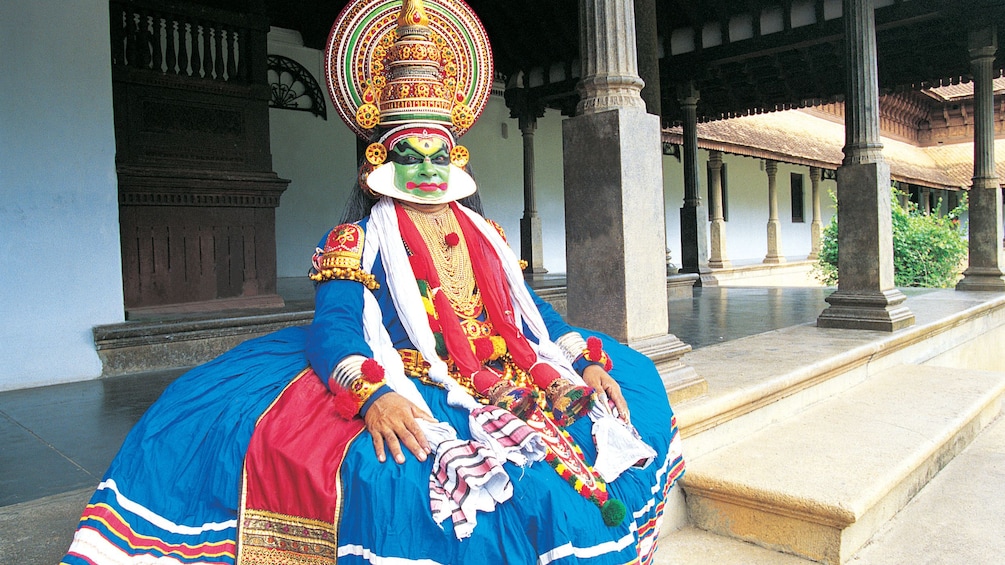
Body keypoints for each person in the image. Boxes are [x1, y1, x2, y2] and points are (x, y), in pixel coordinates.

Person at [61, 1, 684, 563]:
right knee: (412, 482)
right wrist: (374, 395)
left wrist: (585, 361)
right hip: (411, 373)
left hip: (508, 369)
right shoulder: (355, 241)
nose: (425, 169)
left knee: (631, 390)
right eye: (408, 155)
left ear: (456, 159)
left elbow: (528, 321)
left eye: (437, 155)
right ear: (378, 162)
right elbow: (333, 331)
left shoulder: (484, 234)